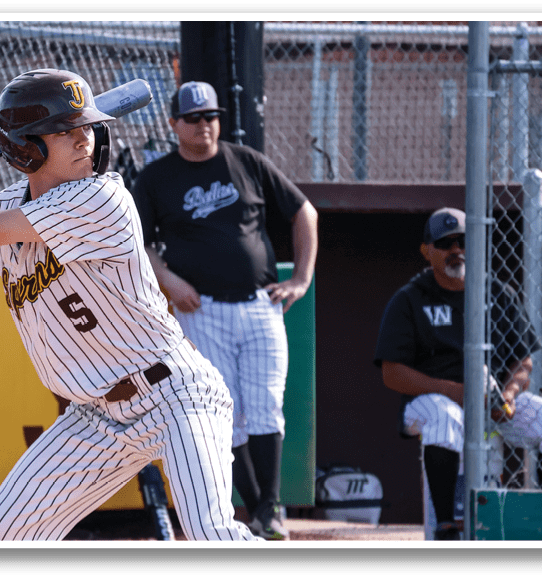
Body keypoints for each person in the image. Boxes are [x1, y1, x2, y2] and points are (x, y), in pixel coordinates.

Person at [0, 69, 257, 541]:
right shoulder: (10, 203)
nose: (84, 140)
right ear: (24, 148)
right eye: (65, 131)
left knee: (213, 536)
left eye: (87, 126)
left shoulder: (101, 197)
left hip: (174, 395)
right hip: (95, 417)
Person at [131, 81, 318, 540]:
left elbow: (304, 212)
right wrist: (168, 280)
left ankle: (269, 509)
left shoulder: (245, 161)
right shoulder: (156, 177)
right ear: (174, 124)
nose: (203, 125)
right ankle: (254, 508)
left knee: (266, 407)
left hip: (260, 304)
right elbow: (135, 242)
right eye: (192, 118)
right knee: (223, 411)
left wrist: (302, 279)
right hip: (202, 308)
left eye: (210, 116)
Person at [373, 208, 542, 540]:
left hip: (492, 400)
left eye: (463, 241)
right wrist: (454, 391)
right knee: (445, 418)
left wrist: (509, 394)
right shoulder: (409, 300)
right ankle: (446, 528)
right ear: (427, 251)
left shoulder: (497, 292)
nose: (456, 249)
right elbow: (392, 373)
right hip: (430, 402)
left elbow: (523, 361)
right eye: (445, 243)